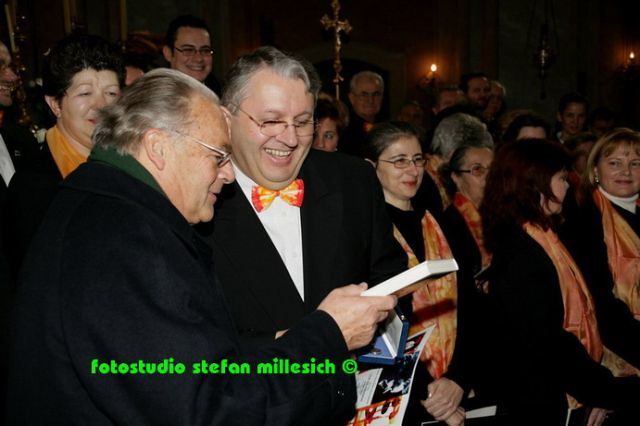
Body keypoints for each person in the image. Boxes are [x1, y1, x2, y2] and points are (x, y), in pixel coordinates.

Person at [7, 68, 397, 424]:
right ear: (158, 147)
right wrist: (329, 335)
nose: (228, 174)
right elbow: (211, 409)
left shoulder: (100, 206)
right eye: (218, 156)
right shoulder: (127, 240)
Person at [205, 47, 406, 397]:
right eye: (271, 121)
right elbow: (194, 349)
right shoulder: (195, 201)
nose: (289, 139)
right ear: (226, 118)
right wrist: (311, 340)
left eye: (302, 122)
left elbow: (389, 278)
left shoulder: (353, 180)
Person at [481, 138, 640, 425]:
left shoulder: (544, 236)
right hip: (539, 400)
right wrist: (608, 390)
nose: (568, 186)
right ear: (536, 184)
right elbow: (548, 341)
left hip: (560, 389)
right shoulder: (521, 250)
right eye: (562, 178)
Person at [363, 122, 469, 426]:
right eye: (399, 161)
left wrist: (457, 379)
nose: (413, 170)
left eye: (417, 159)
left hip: (454, 385)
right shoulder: (363, 234)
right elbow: (380, 328)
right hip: (399, 394)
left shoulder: (441, 223)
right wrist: (431, 393)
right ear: (371, 167)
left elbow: (471, 306)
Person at [3, 34, 124, 281]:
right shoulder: (33, 185)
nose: (101, 105)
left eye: (111, 93)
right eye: (85, 93)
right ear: (55, 104)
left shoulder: (131, 164)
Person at [562, 129, 640, 380]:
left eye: (635, 163)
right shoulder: (582, 218)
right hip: (616, 353)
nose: (626, 172)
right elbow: (598, 301)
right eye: (614, 163)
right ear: (595, 170)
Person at [162, 14, 220, 94]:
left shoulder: (224, 94)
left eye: (205, 50)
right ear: (168, 53)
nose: (199, 59)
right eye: (188, 50)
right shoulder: (153, 96)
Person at [340, 70, 384, 157]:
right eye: (364, 94)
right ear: (352, 98)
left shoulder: (386, 128)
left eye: (376, 94)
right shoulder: (343, 131)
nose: (370, 100)